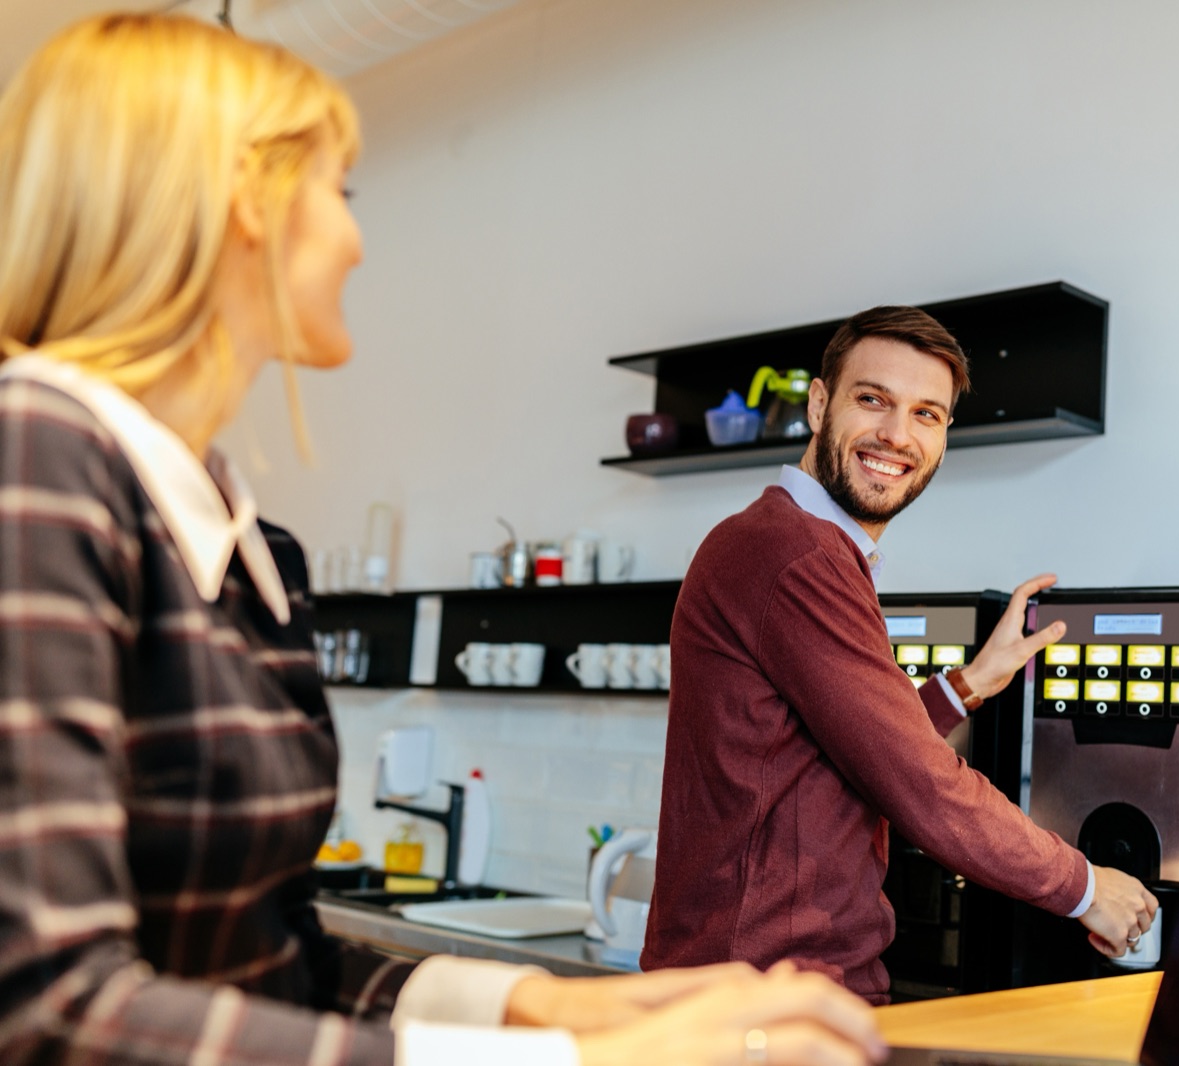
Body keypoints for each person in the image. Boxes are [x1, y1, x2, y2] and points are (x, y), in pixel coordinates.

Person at [0, 12, 884, 1066]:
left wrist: (547, 1007)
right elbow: (48, 1007)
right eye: (340, 194)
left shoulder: (254, 552)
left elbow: (279, 967)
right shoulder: (37, 450)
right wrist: (574, 1063)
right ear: (241, 203)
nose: (357, 240)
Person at [643, 306, 1158, 1003]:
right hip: (763, 1005)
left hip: (763, 993)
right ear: (820, 404)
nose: (897, 434)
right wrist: (1086, 888)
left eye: (927, 414)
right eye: (872, 400)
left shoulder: (792, 545)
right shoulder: (795, 554)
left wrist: (968, 683)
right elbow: (918, 781)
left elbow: (835, 748)